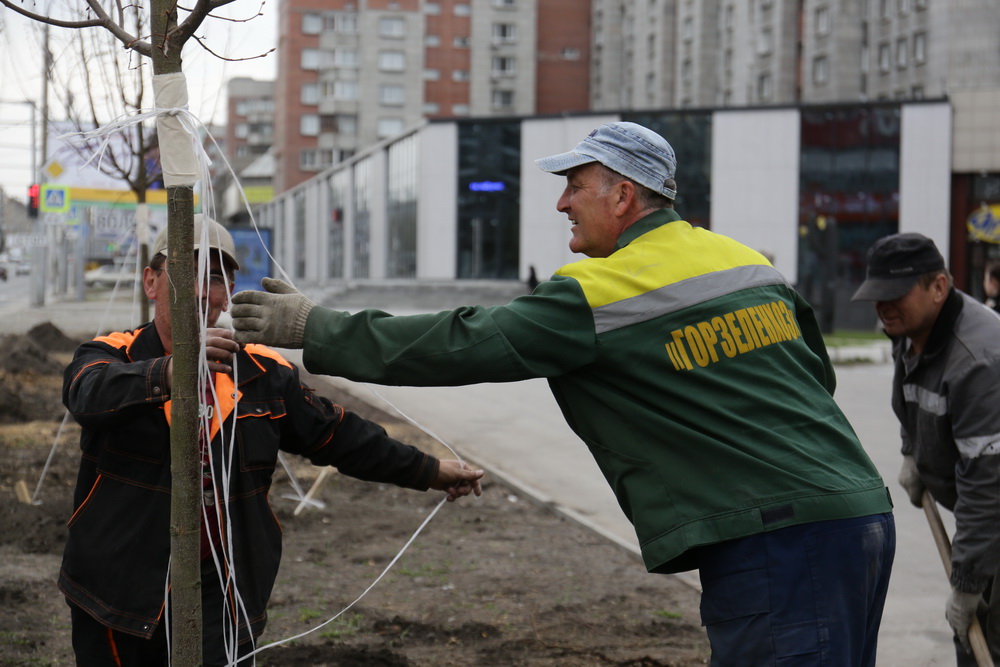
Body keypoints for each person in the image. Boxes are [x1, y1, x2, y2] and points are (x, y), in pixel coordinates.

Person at [231, 121, 895, 665]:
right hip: (860, 515)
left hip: (778, 542)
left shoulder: (601, 292)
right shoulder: (748, 264)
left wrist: (318, 327)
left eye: (575, 185)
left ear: (623, 196)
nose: (560, 203)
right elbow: (814, 381)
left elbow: (462, 340)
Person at [59, 214, 483, 666]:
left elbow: (341, 436)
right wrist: (171, 371)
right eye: (187, 274)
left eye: (218, 279)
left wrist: (431, 471)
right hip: (116, 591)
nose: (204, 291)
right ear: (151, 281)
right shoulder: (111, 354)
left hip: (219, 591)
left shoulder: (263, 373)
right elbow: (85, 393)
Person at [853, 233, 1000, 665]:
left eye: (894, 294)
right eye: (876, 296)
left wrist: (968, 583)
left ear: (938, 287)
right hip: (988, 513)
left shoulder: (979, 361)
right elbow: (911, 394)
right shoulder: (910, 330)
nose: (882, 307)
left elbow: (989, 489)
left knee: (985, 642)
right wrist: (911, 451)